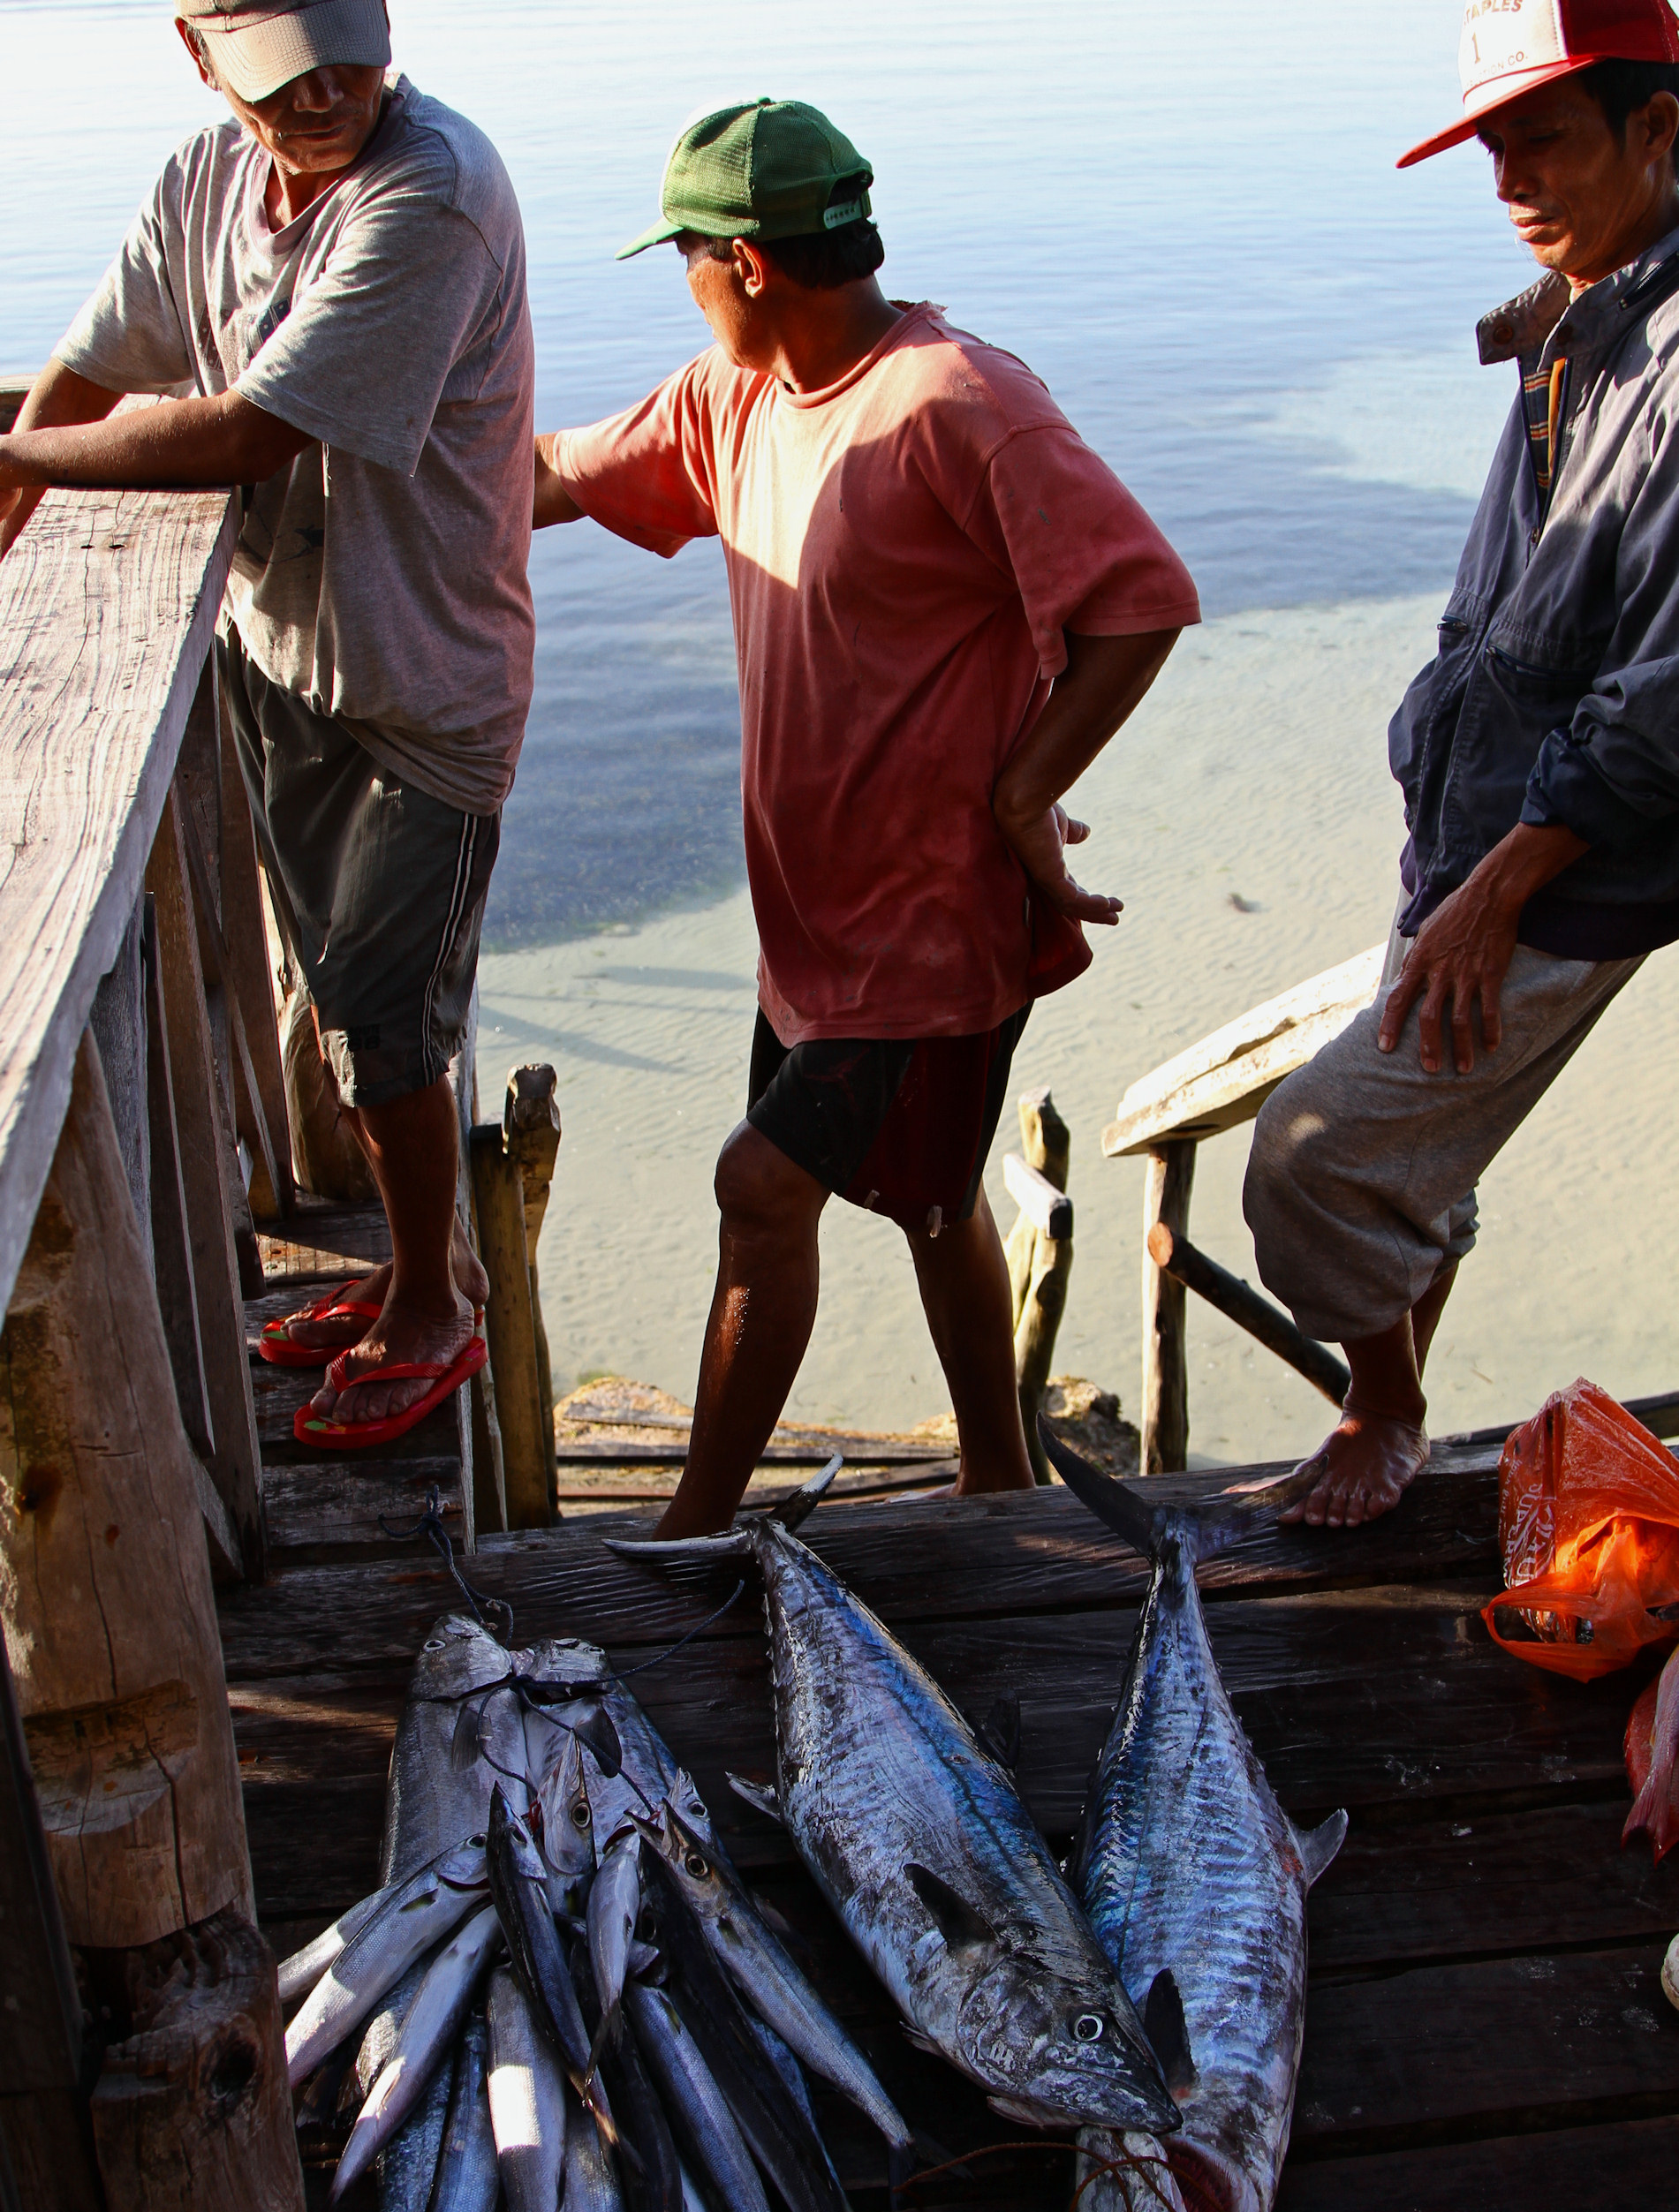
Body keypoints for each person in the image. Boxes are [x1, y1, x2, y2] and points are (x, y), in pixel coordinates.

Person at [533, 98, 1199, 1537]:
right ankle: (999, 1477)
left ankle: (690, 1532)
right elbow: (547, 476)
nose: (686, 285)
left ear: (748, 262)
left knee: (759, 1187)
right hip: (813, 921)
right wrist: (334, 475)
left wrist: (1026, 785)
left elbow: (1140, 601)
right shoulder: (735, 400)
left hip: (930, 920)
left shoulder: (961, 403)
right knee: (935, 1197)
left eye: (688, 259)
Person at [0, 0, 535, 1449]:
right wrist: (16, 497)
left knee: (383, 1017)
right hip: (281, 655)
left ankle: (433, 1307)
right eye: (287, 79)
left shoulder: (434, 194)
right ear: (204, 60)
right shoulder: (204, 182)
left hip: (426, 688)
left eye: (348, 60)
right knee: (338, 999)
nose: (328, 96)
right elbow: (103, 355)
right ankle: (430, 1269)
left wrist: (13, 449)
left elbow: (250, 429)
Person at [1244, 0, 1679, 1529]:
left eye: (1543, 138)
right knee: (1416, 1139)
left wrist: (1500, 885)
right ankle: (1393, 1408)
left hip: (1571, 852)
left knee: (1309, 1157)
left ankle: (1388, 1404)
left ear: (1658, 128)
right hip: (1475, 809)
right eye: (1491, 145)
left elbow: (1667, 699)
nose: (1508, 178)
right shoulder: (1588, 309)